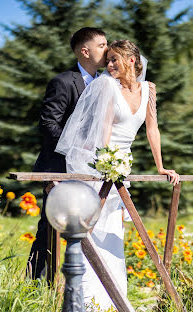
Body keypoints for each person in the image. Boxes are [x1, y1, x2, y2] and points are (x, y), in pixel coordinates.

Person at [55, 39, 179, 309]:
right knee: (94, 226)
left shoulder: (149, 89)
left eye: (114, 60)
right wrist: (105, 164)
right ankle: (85, 299)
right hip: (101, 162)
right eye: (107, 59)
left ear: (132, 61)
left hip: (121, 165)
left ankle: (112, 298)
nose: (108, 65)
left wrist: (161, 166)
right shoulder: (108, 86)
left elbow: (151, 129)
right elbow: (104, 130)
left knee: (114, 227)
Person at [28, 27, 108, 279]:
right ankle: (37, 284)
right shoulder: (63, 81)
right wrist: (77, 148)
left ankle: (84, 283)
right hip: (60, 166)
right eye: (102, 45)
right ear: (85, 51)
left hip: (92, 169)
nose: (107, 49)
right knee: (50, 226)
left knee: (90, 225)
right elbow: (48, 124)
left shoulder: (107, 83)